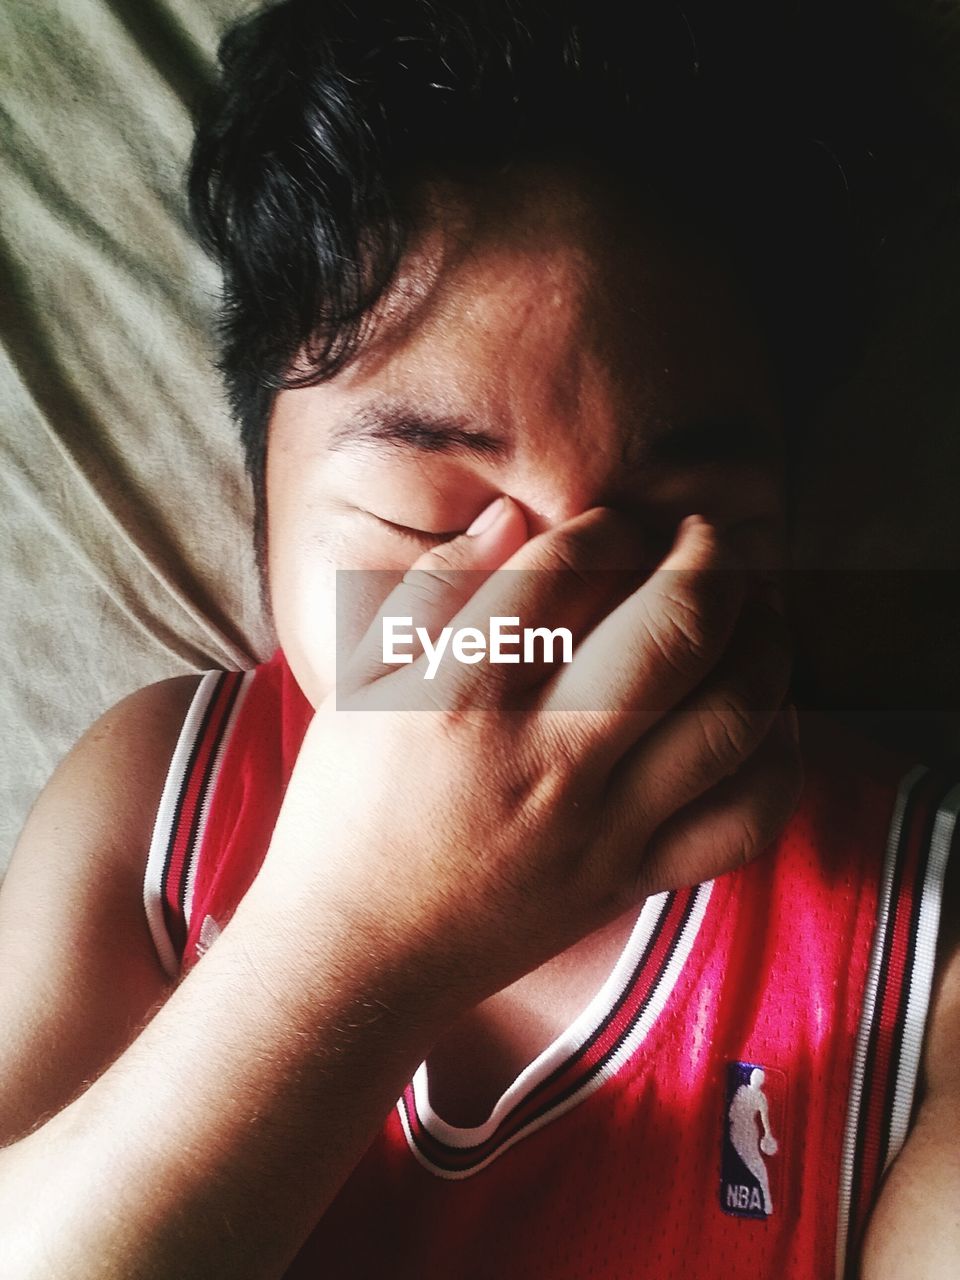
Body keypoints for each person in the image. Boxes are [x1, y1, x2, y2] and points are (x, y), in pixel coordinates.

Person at [0, 2, 956, 1277]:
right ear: (264, 510)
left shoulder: (919, 934)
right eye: (428, 518)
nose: (563, 625)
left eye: (689, 521)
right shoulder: (156, 796)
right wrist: (365, 936)